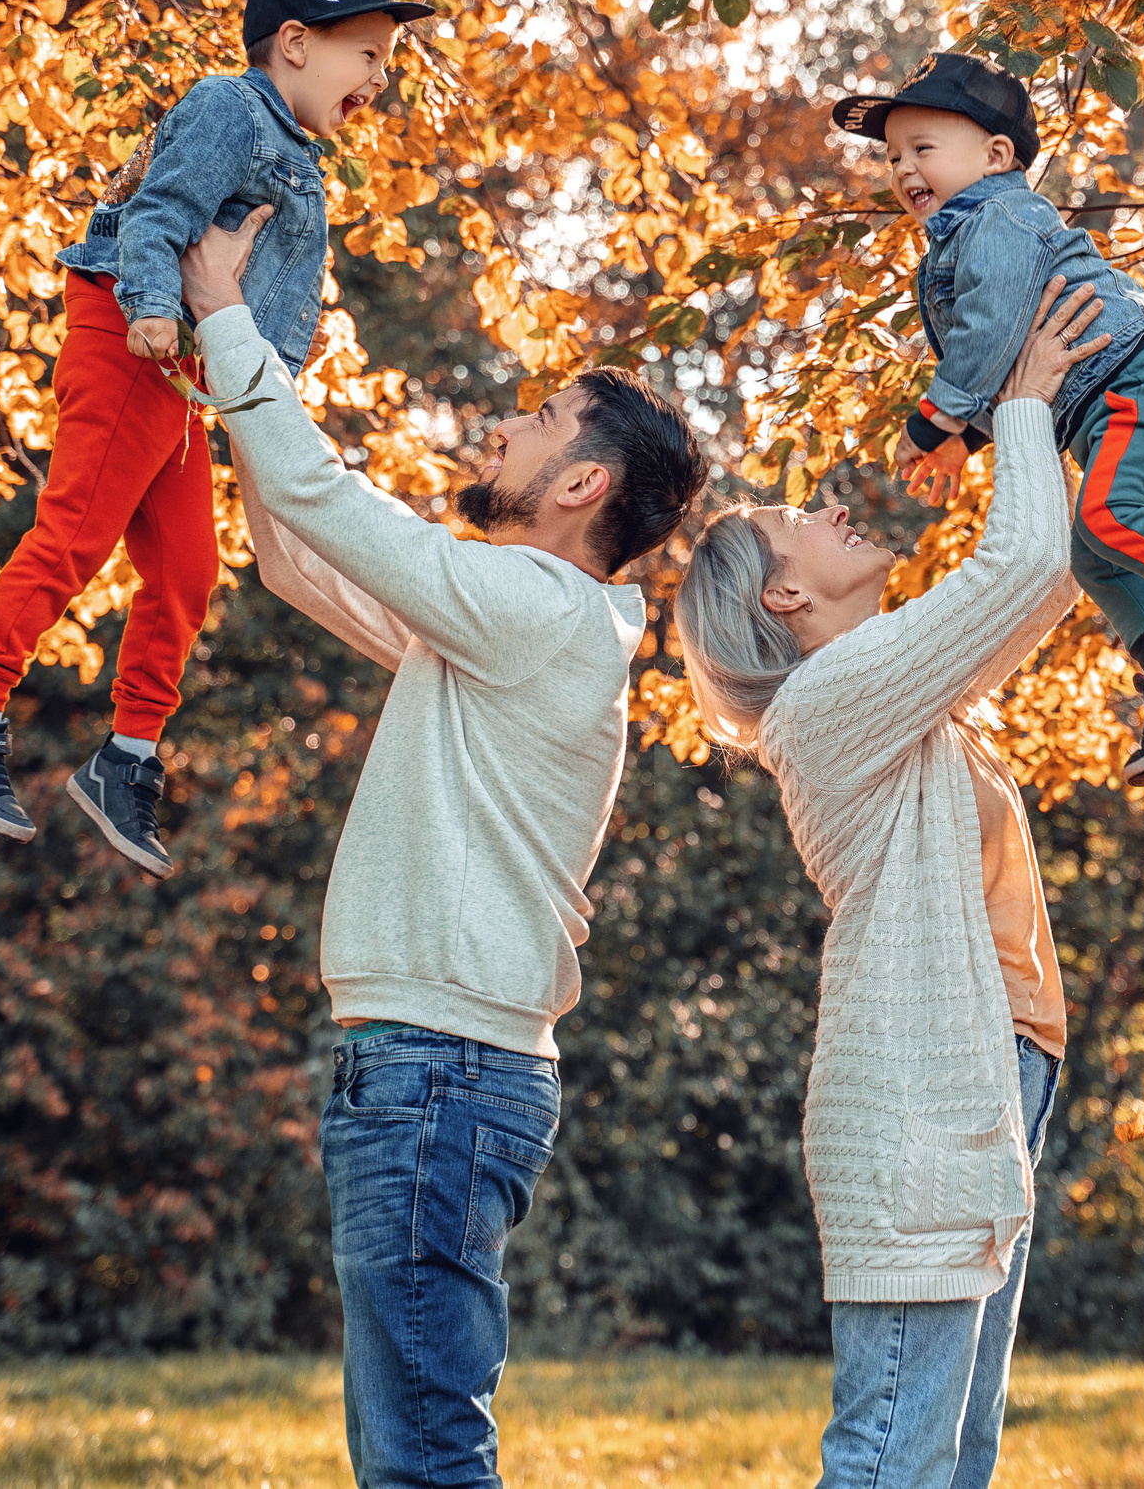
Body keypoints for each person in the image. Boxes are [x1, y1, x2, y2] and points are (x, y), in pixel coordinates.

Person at [181, 209, 708, 1488]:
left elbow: (321, 498)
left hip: (439, 1072)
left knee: (422, 1459)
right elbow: (298, 555)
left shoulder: (536, 605)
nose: (507, 427)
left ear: (581, 485)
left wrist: (223, 313)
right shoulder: (508, 626)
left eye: (542, 418)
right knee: (409, 1450)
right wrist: (237, 370)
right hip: (428, 1067)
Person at [672, 276, 1108, 1489]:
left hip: (993, 1064)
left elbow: (1047, 576)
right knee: (892, 1454)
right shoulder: (824, 707)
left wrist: (1053, 422)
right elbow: (1022, 564)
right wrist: (1023, 398)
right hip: (922, 1091)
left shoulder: (890, 698)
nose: (832, 507)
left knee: (949, 1455)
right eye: (800, 519)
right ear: (784, 596)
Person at [0, 0, 434, 877]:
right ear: (297, 44)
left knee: (188, 573)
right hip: (130, 334)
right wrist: (152, 307)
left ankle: (127, 759)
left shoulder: (301, 155)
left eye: (387, 61)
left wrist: (266, 377)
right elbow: (157, 215)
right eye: (369, 54)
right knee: (76, 532)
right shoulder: (232, 108)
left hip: (182, 369)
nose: (382, 77)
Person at [832, 50, 1144, 786]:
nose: (903, 169)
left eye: (922, 148)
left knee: (1108, 515)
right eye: (893, 156)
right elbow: (1017, 357)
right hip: (1119, 403)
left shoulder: (997, 218)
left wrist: (932, 423)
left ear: (996, 156)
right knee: (1089, 548)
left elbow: (989, 333)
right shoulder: (962, 238)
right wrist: (968, 439)